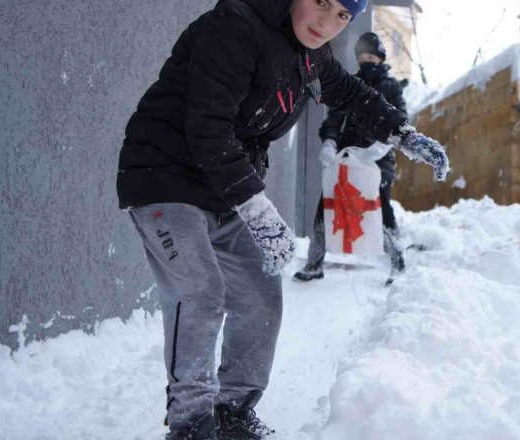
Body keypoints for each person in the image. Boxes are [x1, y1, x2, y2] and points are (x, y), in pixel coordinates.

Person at [116, 0, 449, 438]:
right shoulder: (236, 26)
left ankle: (232, 411)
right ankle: (191, 421)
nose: (325, 24)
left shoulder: (310, 55)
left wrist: (403, 134)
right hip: (164, 176)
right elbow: (208, 129)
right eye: (321, 4)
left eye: (342, 17)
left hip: (225, 189)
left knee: (260, 294)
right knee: (199, 289)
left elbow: (352, 94)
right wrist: (257, 208)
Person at [294, 32, 408, 283]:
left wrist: (384, 144)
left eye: (372, 56)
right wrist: (330, 140)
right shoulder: (351, 83)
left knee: (381, 206)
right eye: (363, 56)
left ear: (380, 58)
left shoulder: (390, 87)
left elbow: (401, 120)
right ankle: (314, 263)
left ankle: (398, 264)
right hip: (347, 155)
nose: (367, 61)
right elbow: (334, 117)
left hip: (379, 157)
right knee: (328, 201)